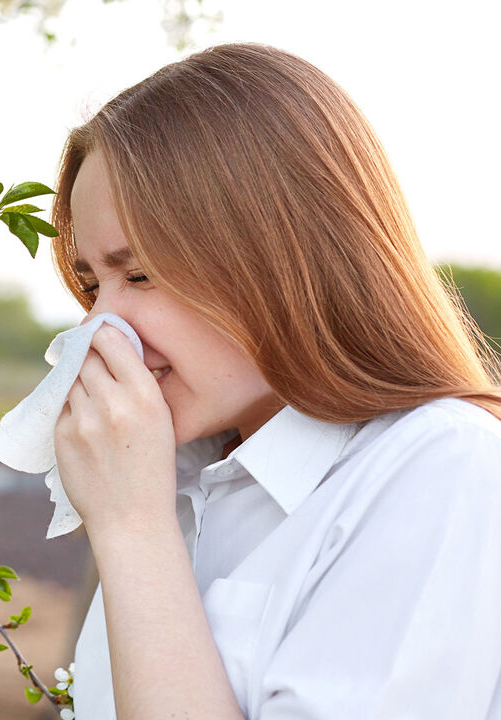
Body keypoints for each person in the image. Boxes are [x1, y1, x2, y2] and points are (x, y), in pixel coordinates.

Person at [49, 42, 501, 719]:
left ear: (281, 253)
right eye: (91, 284)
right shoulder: (175, 484)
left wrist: (133, 531)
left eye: (138, 274)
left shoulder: (439, 465)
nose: (102, 326)